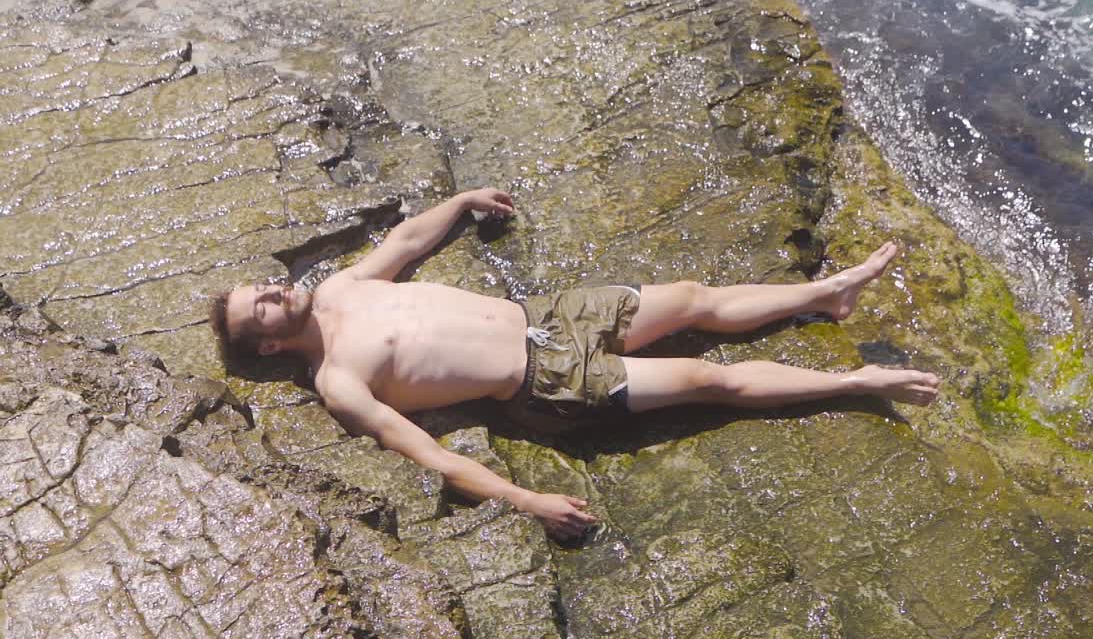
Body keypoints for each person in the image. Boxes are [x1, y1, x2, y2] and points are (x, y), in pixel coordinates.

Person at [210, 188, 940, 540]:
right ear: (270, 344)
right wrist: (529, 502)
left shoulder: (341, 286)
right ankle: (857, 383)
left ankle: (827, 292)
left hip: (549, 316)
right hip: (546, 381)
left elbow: (403, 242)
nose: (276, 289)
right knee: (708, 381)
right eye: (262, 307)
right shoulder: (340, 382)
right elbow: (431, 458)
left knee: (689, 298)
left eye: (266, 286)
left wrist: (461, 201)